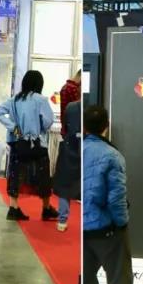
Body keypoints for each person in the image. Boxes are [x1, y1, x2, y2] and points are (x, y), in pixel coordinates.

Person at [82, 104, 143, 284]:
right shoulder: (113, 156)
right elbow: (116, 198)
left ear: (84, 126)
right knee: (119, 279)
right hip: (107, 229)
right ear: (106, 126)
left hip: (83, 228)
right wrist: (122, 224)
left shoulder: (78, 149)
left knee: (86, 279)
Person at [0, 70, 57, 222]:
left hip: (18, 142)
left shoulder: (15, 99)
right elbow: (48, 121)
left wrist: (14, 128)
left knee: (16, 173)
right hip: (37, 143)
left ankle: (13, 208)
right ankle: (46, 208)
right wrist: (39, 126)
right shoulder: (41, 100)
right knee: (43, 174)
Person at [53, 99, 82, 232]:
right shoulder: (90, 107)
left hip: (69, 148)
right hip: (84, 147)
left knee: (65, 186)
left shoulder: (70, 107)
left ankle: (62, 221)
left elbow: (64, 128)